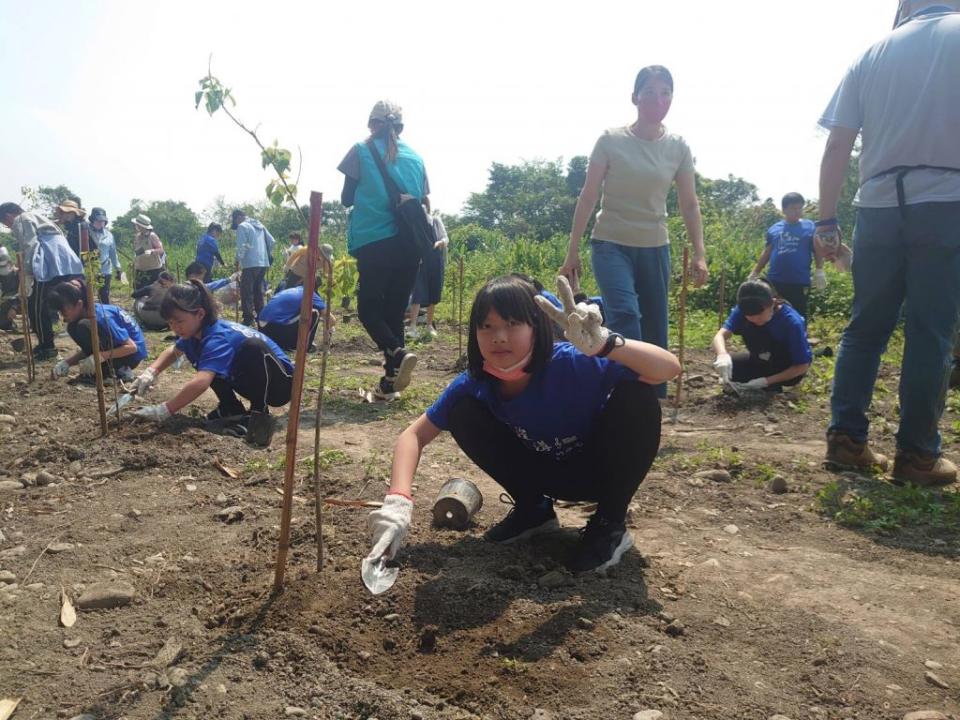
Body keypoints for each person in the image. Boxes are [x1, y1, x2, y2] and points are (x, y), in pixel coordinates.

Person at [364, 275, 679, 575]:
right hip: (544, 473)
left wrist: (607, 345)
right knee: (462, 411)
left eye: (512, 324)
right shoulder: (476, 383)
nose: (498, 336)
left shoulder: (573, 362)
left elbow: (668, 368)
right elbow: (414, 435)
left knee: (638, 396)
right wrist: (397, 503)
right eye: (486, 326)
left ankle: (609, 524)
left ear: (537, 327)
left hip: (601, 473)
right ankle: (534, 511)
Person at [816, 0, 960, 486]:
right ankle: (917, 456)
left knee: (866, 327)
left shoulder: (873, 52)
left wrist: (827, 220)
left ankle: (846, 441)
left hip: (877, 207)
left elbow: (838, 144)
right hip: (947, 200)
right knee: (929, 331)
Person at [560, 65, 708, 398]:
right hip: (611, 242)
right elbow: (588, 196)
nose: (659, 99)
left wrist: (699, 253)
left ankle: (650, 401)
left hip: (655, 246)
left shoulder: (678, 147)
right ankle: (626, 393)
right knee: (626, 313)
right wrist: (572, 251)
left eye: (666, 92)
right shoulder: (611, 140)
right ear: (635, 97)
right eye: (650, 92)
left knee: (656, 325)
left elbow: (689, 203)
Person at [128, 281, 293, 447]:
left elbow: (201, 382)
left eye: (179, 321)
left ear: (200, 314)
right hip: (249, 380)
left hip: (281, 385)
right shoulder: (195, 334)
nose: (174, 328)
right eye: (170, 323)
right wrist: (150, 372)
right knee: (204, 357)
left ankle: (258, 415)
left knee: (253, 347)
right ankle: (231, 409)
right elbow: (174, 351)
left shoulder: (218, 337)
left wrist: (165, 410)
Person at [338, 100, 428, 400]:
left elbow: (346, 199)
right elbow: (423, 202)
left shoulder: (361, 151)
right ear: (399, 128)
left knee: (368, 309)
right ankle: (391, 384)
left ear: (372, 124)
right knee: (393, 312)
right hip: (410, 245)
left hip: (375, 242)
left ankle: (397, 355)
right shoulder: (416, 157)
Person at [0, 202, 84, 360]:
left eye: (5, 223)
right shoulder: (39, 217)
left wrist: (26, 272)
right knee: (67, 300)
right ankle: (83, 343)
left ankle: (47, 347)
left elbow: (30, 246)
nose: (8, 226)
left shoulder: (22, 219)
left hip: (47, 264)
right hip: (64, 262)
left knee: (36, 305)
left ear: (9, 216)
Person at [711, 279, 812, 393]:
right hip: (759, 360)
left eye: (759, 316)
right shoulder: (742, 309)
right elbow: (720, 335)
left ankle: (772, 384)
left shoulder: (791, 322)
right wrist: (722, 355)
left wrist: (765, 381)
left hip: (785, 368)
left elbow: (802, 365)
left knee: (772, 386)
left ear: (773, 303)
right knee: (729, 367)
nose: (755, 320)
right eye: (750, 317)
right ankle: (758, 381)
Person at [47, 280, 147, 381]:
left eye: (63, 310)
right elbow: (92, 348)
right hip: (116, 350)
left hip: (131, 356)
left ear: (79, 304)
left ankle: (118, 371)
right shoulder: (83, 317)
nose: (62, 315)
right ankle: (104, 370)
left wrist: (100, 357)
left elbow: (132, 347)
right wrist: (67, 363)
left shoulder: (102, 317)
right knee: (73, 327)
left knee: (82, 326)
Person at [749, 193, 825, 319]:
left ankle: (798, 338)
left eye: (800, 208)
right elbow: (767, 252)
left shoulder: (810, 227)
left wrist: (819, 271)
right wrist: (755, 272)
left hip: (799, 281)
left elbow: (818, 250)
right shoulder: (774, 229)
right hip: (775, 281)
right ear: (784, 210)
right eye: (793, 208)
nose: (797, 211)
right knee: (774, 313)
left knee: (798, 315)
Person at [257, 278, 333, 352]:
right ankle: (306, 346)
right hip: (274, 329)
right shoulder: (309, 293)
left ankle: (285, 344)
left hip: (262, 329)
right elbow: (331, 319)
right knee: (315, 313)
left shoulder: (291, 290)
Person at [407, 209, 448, 340]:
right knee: (418, 292)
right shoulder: (414, 224)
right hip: (421, 261)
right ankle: (412, 327)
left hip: (435, 260)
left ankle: (429, 325)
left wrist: (440, 243)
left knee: (433, 292)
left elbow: (445, 238)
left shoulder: (435, 221)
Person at [231, 209, 275, 326]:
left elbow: (242, 246)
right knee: (258, 290)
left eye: (235, 221)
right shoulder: (260, 225)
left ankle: (248, 318)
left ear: (238, 217)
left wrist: (237, 260)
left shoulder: (242, 226)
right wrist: (265, 254)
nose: (236, 224)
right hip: (263, 262)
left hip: (250, 263)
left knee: (246, 291)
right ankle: (261, 316)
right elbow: (272, 241)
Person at [89, 208, 121, 304]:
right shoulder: (85, 232)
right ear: (92, 220)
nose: (100, 223)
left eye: (102, 221)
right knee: (88, 294)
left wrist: (118, 268)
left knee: (104, 294)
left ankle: (106, 315)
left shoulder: (109, 235)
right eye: (98, 220)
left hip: (105, 269)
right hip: (90, 269)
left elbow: (113, 253)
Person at [131, 214, 165, 289]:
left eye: (137, 225)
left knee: (153, 293)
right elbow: (136, 251)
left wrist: (152, 251)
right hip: (140, 270)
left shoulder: (152, 236)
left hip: (153, 270)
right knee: (138, 291)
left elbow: (161, 249)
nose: (136, 226)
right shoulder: (137, 237)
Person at [0, 247, 20, 332]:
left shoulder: (17, 274)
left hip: (15, 302)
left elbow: (22, 293)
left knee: (4, 324)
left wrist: (14, 307)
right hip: (4, 300)